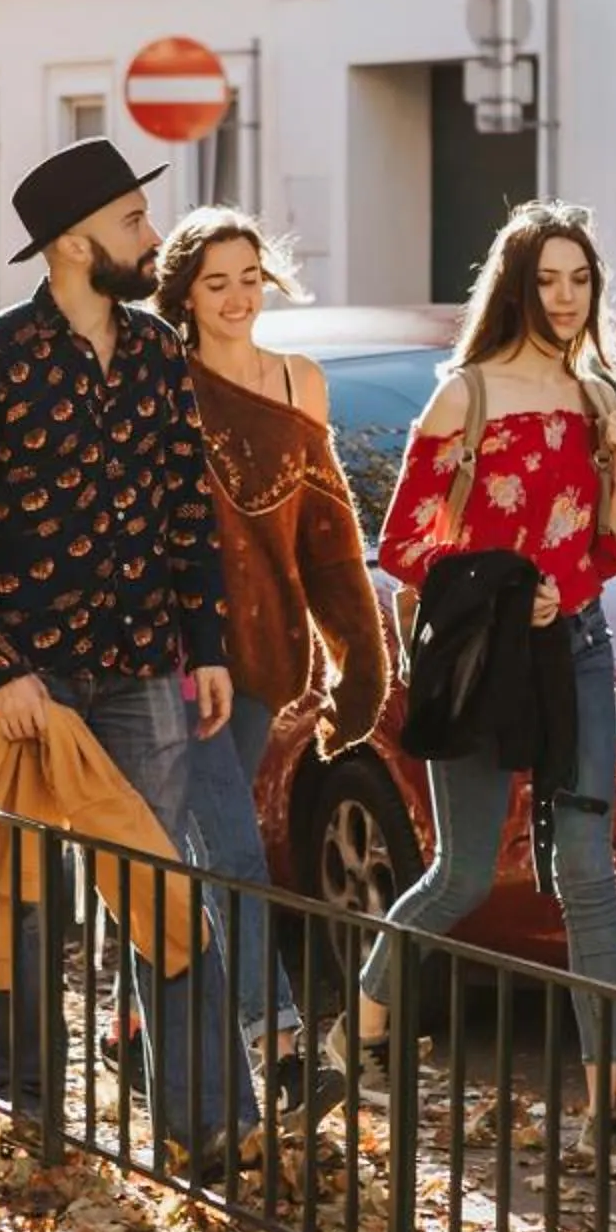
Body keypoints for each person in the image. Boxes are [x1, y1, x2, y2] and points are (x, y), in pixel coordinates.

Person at [0, 137, 256, 1176]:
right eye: (132, 222)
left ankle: (209, 1124)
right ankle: (15, 1108)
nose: (152, 238)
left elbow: (188, 512)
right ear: (74, 243)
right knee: (20, 895)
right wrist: (0, 671)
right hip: (31, 678)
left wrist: (206, 647)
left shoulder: (156, 353)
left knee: (161, 891)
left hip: (143, 665)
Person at [336, 200, 616, 1169]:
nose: (565, 298)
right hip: (483, 657)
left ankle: (608, 1110)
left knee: (587, 871)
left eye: (580, 280)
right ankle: (363, 1023)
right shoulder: (463, 397)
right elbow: (402, 545)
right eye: (547, 280)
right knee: (464, 874)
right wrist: (512, 592)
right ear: (516, 286)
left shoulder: (597, 399)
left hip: (577, 648)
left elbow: (607, 551)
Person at [147, 207, 389, 1120]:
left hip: (262, 660)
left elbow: (329, 536)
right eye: (216, 283)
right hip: (175, 658)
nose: (237, 297)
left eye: (250, 278)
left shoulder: (300, 383)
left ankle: (136, 1030)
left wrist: (360, 658)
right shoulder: (165, 385)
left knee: (191, 850)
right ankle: (281, 1049)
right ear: (184, 296)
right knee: (233, 849)